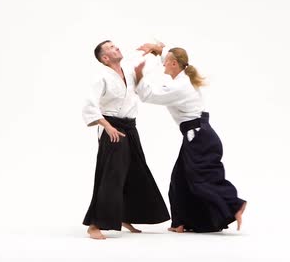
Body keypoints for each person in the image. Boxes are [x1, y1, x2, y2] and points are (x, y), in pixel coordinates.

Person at [134, 42, 246, 233]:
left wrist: (138, 75)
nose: (163, 65)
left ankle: (234, 204)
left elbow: (150, 95)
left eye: (166, 62)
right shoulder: (183, 76)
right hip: (198, 136)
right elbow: (173, 61)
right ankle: (183, 222)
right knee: (180, 180)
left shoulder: (180, 87)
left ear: (174, 64)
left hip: (200, 138)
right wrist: (160, 52)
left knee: (202, 180)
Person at [81, 40, 170, 240]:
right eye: (111, 48)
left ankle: (123, 215)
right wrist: (107, 126)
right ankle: (95, 224)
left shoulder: (128, 71)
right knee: (111, 174)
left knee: (135, 170)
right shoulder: (101, 77)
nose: (116, 48)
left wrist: (154, 52)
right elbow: (89, 105)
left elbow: (147, 65)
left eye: (115, 45)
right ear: (104, 58)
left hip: (130, 127)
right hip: (112, 127)